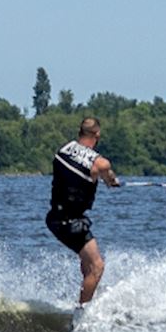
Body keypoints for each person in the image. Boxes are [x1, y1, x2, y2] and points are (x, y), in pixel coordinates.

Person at [47, 117, 120, 304]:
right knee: (97, 266)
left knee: (88, 264)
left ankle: (88, 296)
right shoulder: (100, 163)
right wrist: (113, 182)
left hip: (54, 218)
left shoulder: (63, 150)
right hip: (70, 223)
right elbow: (108, 178)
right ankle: (81, 312)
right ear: (97, 135)